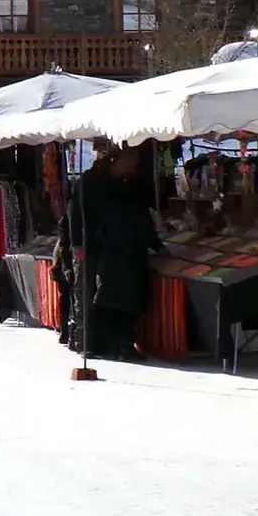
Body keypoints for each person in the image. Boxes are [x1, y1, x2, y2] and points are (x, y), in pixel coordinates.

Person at [70, 144, 163, 362]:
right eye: (130, 164)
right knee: (100, 297)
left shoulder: (128, 185)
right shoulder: (90, 181)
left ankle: (121, 345)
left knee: (123, 299)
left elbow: (142, 219)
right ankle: (99, 343)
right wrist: (77, 243)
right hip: (103, 248)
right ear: (116, 160)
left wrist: (156, 245)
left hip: (127, 250)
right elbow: (75, 213)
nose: (133, 169)